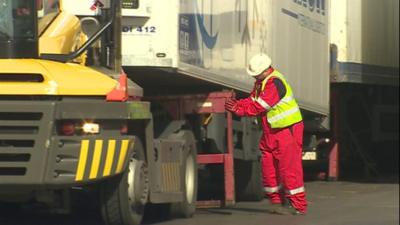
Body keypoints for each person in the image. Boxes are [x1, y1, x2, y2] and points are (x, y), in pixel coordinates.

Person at [225, 53, 307, 215]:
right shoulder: (262, 82)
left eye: (256, 74)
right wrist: (238, 104)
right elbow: (253, 100)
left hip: (287, 130)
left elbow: (260, 106)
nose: (254, 76)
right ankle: (276, 201)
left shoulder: (275, 83)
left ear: (265, 70)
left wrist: (238, 109)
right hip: (271, 131)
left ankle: (298, 205)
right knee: (268, 167)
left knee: (289, 169)